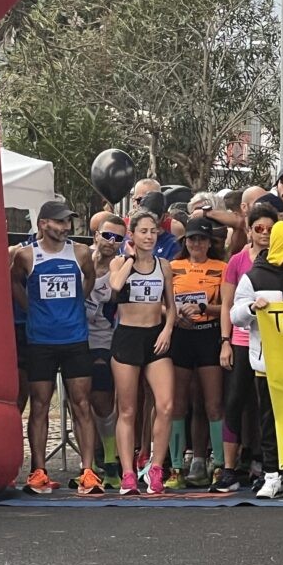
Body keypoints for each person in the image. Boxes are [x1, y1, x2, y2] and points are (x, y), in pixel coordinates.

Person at [11, 200, 101, 496]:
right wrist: (31, 308)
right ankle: (38, 471)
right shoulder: (26, 255)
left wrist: (77, 303)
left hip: (75, 338)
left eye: (67, 223)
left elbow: (89, 277)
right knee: (39, 406)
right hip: (40, 341)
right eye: (59, 222)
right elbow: (13, 282)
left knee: (82, 404)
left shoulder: (80, 252)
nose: (65, 228)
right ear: (43, 224)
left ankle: (88, 471)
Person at [232, 221, 283, 499]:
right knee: (268, 421)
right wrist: (253, 308)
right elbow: (236, 315)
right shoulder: (253, 278)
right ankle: (271, 476)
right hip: (266, 365)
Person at [108, 209, 177, 495]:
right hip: (127, 337)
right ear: (132, 235)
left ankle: (156, 468)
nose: (149, 236)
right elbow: (115, 285)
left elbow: (171, 305)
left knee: (165, 404)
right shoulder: (120, 262)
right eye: (143, 231)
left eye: (153, 231)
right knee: (127, 409)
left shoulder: (164, 265)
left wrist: (167, 329)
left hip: (155, 337)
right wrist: (131, 258)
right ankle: (127, 473)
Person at [213, 205, 278, 494]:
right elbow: (227, 305)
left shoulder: (281, 261)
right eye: (259, 229)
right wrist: (225, 341)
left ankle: (263, 464)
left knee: (265, 405)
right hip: (240, 340)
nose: (264, 234)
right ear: (249, 230)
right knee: (235, 402)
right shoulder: (238, 261)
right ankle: (229, 468)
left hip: (272, 343)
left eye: (270, 229)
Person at [166, 218, 227, 490]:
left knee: (213, 404)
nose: (196, 244)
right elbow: (162, 303)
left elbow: (227, 306)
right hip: (181, 336)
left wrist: (203, 307)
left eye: (201, 239)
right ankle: (177, 466)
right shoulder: (173, 267)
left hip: (209, 334)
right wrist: (175, 316)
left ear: (210, 242)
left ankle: (219, 465)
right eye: (191, 239)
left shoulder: (221, 268)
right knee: (178, 404)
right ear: (185, 241)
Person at [87, 214, 123, 488]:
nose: (111, 242)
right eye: (107, 235)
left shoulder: (120, 267)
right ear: (96, 234)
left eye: (118, 238)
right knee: (79, 402)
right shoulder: (77, 258)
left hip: (104, 339)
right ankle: (88, 463)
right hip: (72, 337)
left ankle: (110, 458)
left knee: (102, 399)